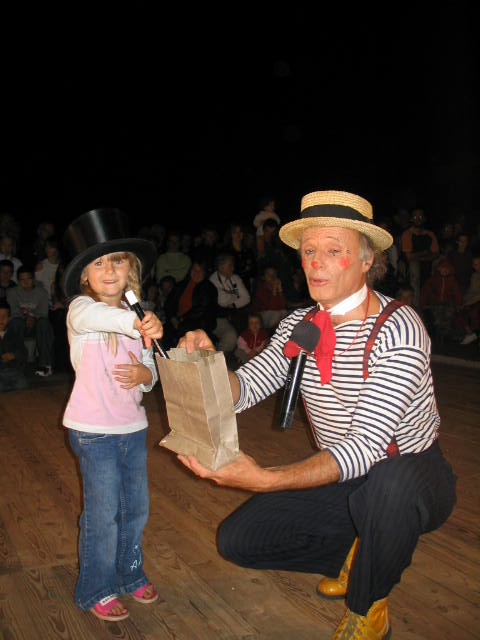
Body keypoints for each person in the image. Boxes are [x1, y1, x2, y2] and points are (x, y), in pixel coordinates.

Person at [176, 190, 457, 639]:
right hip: (345, 477)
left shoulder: (399, 328)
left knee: (389, 486)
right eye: (309, 251)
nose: (316, 263)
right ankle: (363, 554)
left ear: (367, 259)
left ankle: (369, 604)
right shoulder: (299, 325)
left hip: (410, 473)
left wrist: (265, 479)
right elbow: (245, 388)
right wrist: (207, 365)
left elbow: (365, 448)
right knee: (239, 540)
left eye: (333, 250)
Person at [61, 207, 163, 622]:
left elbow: (152, 368)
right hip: (92, 430)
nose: (108, 270)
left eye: (117, 261)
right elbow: (98, 318)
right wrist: (136, 322)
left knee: (135, 509)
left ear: (130, 269)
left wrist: (145, 374)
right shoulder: (81, 310)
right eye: (98, 263)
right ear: (85, 275)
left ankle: (129, 572)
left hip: (132, 428)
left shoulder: (139, 316)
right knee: (103, 514)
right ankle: (95, 587)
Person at [6, 264, 55, 377]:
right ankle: (16, 364)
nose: (26, 282)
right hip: (20, 323)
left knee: (44, 323)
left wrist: (33, 318)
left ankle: (45, 365)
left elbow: (43, 312)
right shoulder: (12, 292)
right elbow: (13, 311)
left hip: (36, 324)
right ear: (18, 281)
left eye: (28, 279)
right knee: (16, 322)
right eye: (22, 280)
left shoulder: (41, 292)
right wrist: (26, 318)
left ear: (33, 279)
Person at [209, 253, 251, 353]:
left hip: (236, 314)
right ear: (221, 267)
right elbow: (222, 301)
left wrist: (232, 304)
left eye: (232, 265)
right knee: (231, 336)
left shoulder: (235, 278)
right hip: (218, 317)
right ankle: (217, 357)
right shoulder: (212, 280)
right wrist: (237, 297)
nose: (233, 268)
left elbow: (247, 298)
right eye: (230, 266)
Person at [400, 208, 439, 307]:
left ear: (424, 218)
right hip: (411, 266)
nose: (418, 219)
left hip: (427, 263)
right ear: (411, 219)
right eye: (415, 217)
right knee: (414, 268)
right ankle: (415, 304)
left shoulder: (430, 234)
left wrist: (421, 257)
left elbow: (435, 253)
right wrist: (425, 253)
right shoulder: (407, 234)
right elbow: (409, 256)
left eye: (420, 216)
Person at [0, 299, 29, 391]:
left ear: (9, 318)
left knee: (22, 383)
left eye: (4, 316)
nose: (1, 319)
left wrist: (13, 355)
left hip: (13, 371)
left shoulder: (13, 334)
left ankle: (8, 387)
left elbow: (24, 352)